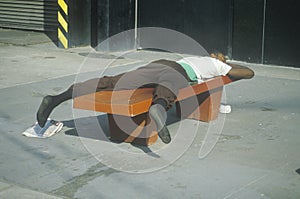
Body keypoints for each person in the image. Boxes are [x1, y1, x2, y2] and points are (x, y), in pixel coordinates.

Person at [36, 52, 254, 144]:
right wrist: (228, 65)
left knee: (113, 82)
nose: (216, 55)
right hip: (175, 71)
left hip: (159, 64)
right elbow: (248, 73)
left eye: (219, 55)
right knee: (170, 87)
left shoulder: (206, 61)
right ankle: (158, 108)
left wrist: (225, 64)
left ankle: (57, 98)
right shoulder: (218, 65)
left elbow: (246, 73)